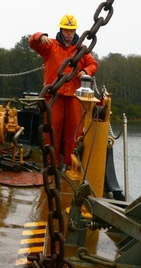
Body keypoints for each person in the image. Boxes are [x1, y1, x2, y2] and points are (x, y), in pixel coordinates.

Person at [29, 14, 98, 167]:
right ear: (61, 29)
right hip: (53, 96)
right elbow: (32, 42)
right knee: (52, 130)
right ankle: (52, 164)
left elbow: (93, 64)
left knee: (74, 132)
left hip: (74, 96)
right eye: (66, 30)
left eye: (72, 30)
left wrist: (86, 71)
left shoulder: (81, 50)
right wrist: (40, 36)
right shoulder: (50, 46)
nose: (69, 33)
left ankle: (70, 164)